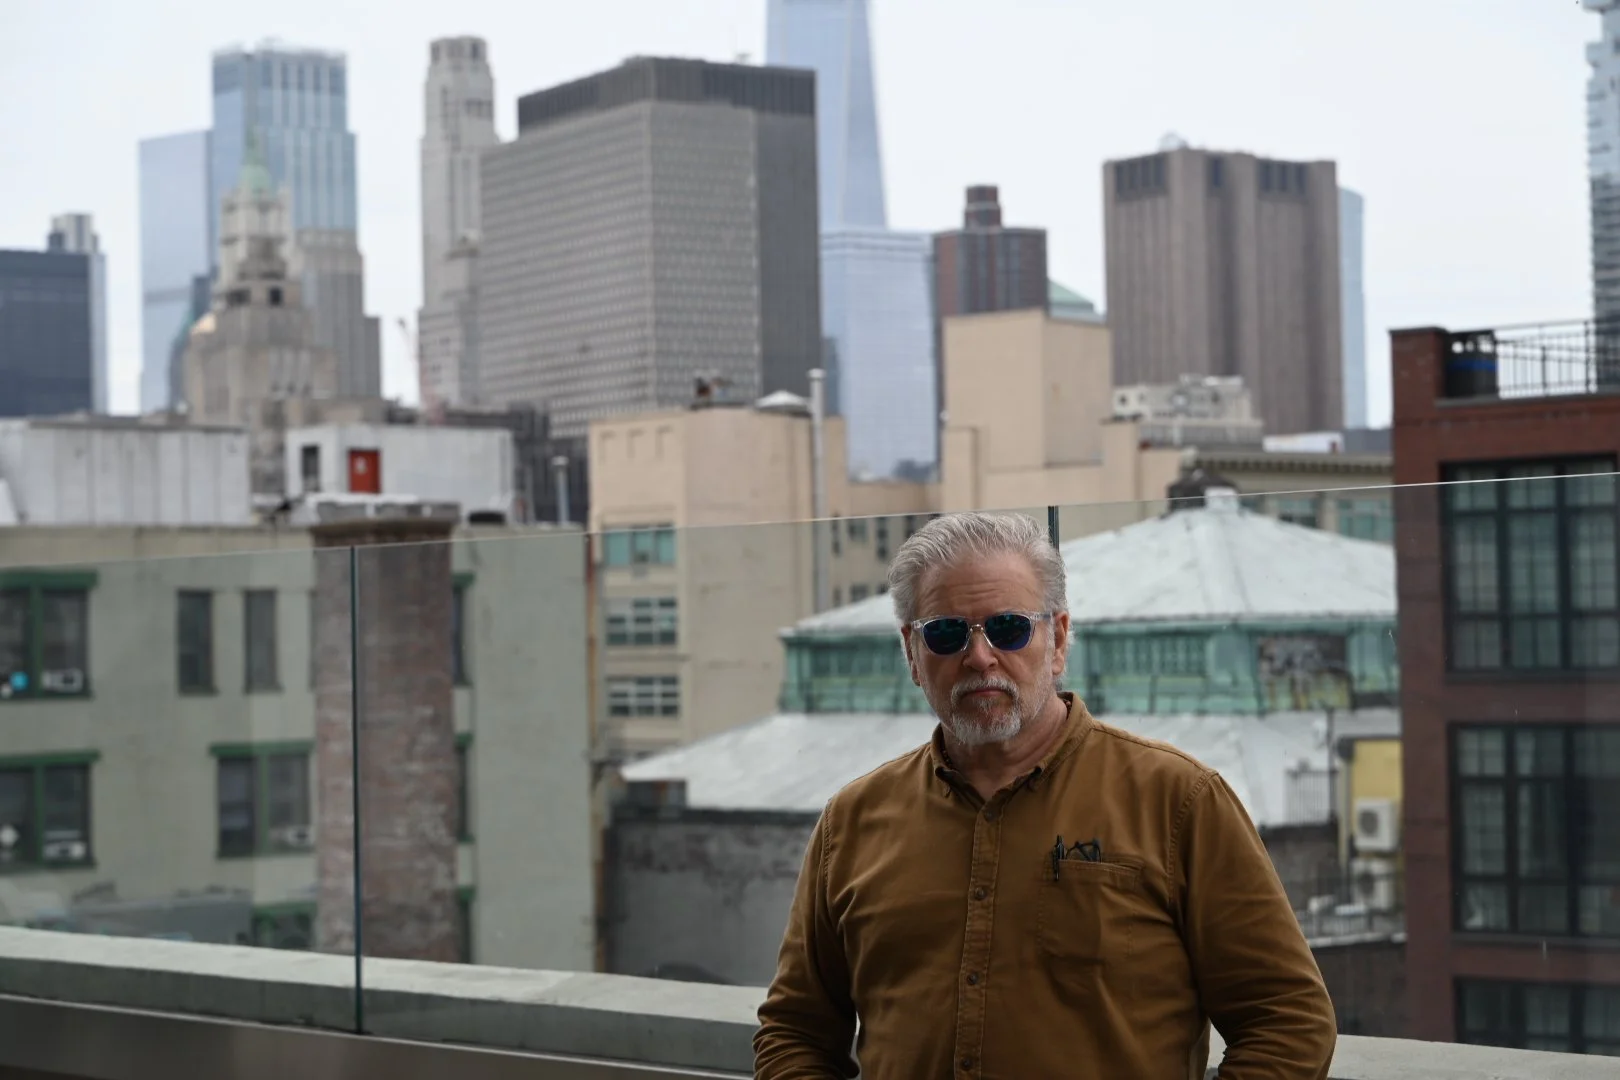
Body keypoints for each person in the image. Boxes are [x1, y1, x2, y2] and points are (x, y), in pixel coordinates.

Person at [754, 511, 1337, 1079]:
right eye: (946, 633)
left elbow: (1288, 1019)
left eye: (1008, 628)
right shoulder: (852, 822)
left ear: (1057, 639)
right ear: (912, 652)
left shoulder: (1178, 801)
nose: (979, 656)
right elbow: (795, 1034)